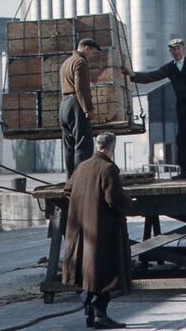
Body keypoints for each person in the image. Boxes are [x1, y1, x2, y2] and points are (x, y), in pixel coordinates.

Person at [122, 38, 186, 179]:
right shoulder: (170, 68)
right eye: (173, 49)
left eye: (178, 48)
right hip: (182, 107)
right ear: (170, 51)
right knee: (182, 139)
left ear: (183, 49)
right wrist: (132, 75)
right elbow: (152, 76)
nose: (176, 51)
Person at [63, 132, 131, 329]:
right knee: (105, 272)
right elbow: (115, 201)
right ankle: (99, 314)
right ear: (112, 148)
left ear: (97, 146)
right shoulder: (108, 168)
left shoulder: (82, 166)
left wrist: (83, 204)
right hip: (102, 231)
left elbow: (68, 190)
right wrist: (130, 204)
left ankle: (91, 311)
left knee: (86, 273)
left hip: (81, 229)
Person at [60, 38, 101, 178]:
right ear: (86, 49)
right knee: (83, 144)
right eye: (94, 53)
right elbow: (81, 88)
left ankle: (70, 180)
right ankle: (81, 180)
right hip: (76, 104)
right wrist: (88, 109)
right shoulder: (80, 62)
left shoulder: (66, 62)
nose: (94, 57)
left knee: (69, 146)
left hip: (64, 105)